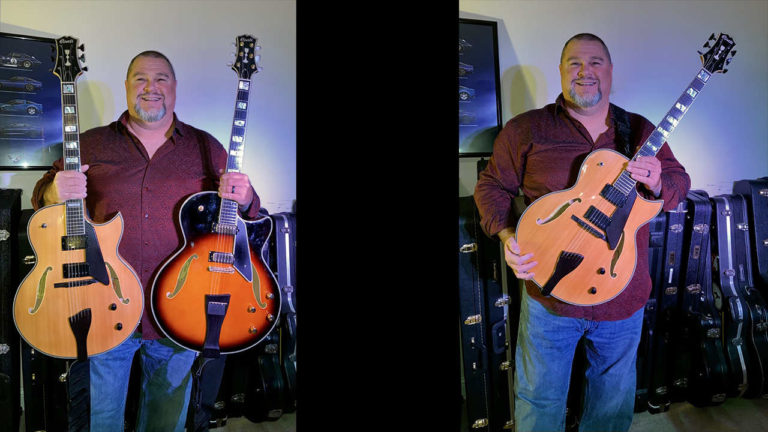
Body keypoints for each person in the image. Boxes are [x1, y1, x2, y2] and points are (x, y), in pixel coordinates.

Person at [31, 50, 261, 431]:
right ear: (126, 87)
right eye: (140, 78)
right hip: (106, 305)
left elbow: (247, 217)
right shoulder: (91, 144)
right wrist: (55, 193)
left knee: (165, 419)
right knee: (103, 419)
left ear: (174, 89)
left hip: (179, 310)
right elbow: (42, 200)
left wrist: (248, 197)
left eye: (160, 78)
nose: (150, 87)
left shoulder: (207, 147)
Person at [473, 33, 691, 431]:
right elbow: (491, 186)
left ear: (610, 71)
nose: (584, 71)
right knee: (539, 401)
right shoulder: (527, 129)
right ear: (560, 71)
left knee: (611, 406)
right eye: (574, 62)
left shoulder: (641, 131)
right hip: (549, 298)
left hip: (621, 296)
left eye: (595, 62)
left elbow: (679, 182)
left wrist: (660, 181)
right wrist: (507, 237)